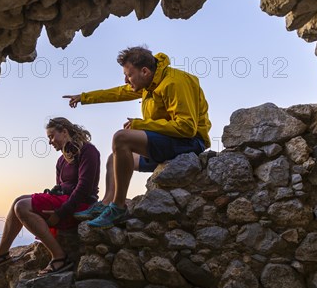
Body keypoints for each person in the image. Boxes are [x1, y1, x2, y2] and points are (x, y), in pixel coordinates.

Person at [64, 46, 211, 229]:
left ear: (144, 71)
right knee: (113, 158)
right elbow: (118, 92)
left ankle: (118, 208)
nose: (126, 80)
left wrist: (142, 124)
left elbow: (187, 127)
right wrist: (83, 97)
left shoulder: (174, 82)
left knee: (121, 138)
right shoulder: (148, 83)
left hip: (189, 143)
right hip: (168, 141)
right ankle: (106, 204)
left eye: (129, 75)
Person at [0, 117, 101, 276]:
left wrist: (60, 213)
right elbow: (60, 187)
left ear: (64, 132)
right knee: (18, 200)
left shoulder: (88, 150)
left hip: (82, 204)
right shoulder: (61, 160)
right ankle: (1, 255)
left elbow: (84, 188)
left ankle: (59, 258)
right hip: (66, 200)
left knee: (22, 206)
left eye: (51, 136)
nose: (50, 142)